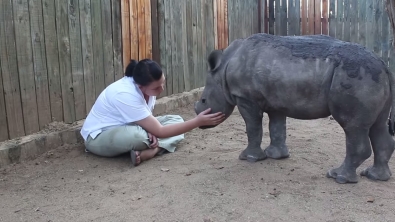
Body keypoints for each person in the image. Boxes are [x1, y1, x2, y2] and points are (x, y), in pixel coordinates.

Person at [80, 59, 225, 166]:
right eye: (156, 87)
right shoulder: (124, 93)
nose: (161, 89)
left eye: (163, 82)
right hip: (98, 137)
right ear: (141, 87)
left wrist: (151, 130)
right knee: (139, 136)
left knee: (177, 120)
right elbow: (160, 131)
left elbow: (144, 120)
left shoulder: (149, 90)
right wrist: (197, 122)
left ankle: (152, 151)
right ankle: (156, 147)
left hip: (128, 127)